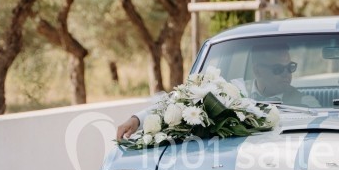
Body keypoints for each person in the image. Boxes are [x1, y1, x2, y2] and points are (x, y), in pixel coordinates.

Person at [115, 43, 316, 140]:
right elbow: (179, 101)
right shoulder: (231, 91)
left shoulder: (306, 103)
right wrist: (136, 120)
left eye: (290, 68)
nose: (286, 75)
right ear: (257, 70)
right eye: (277, 69)